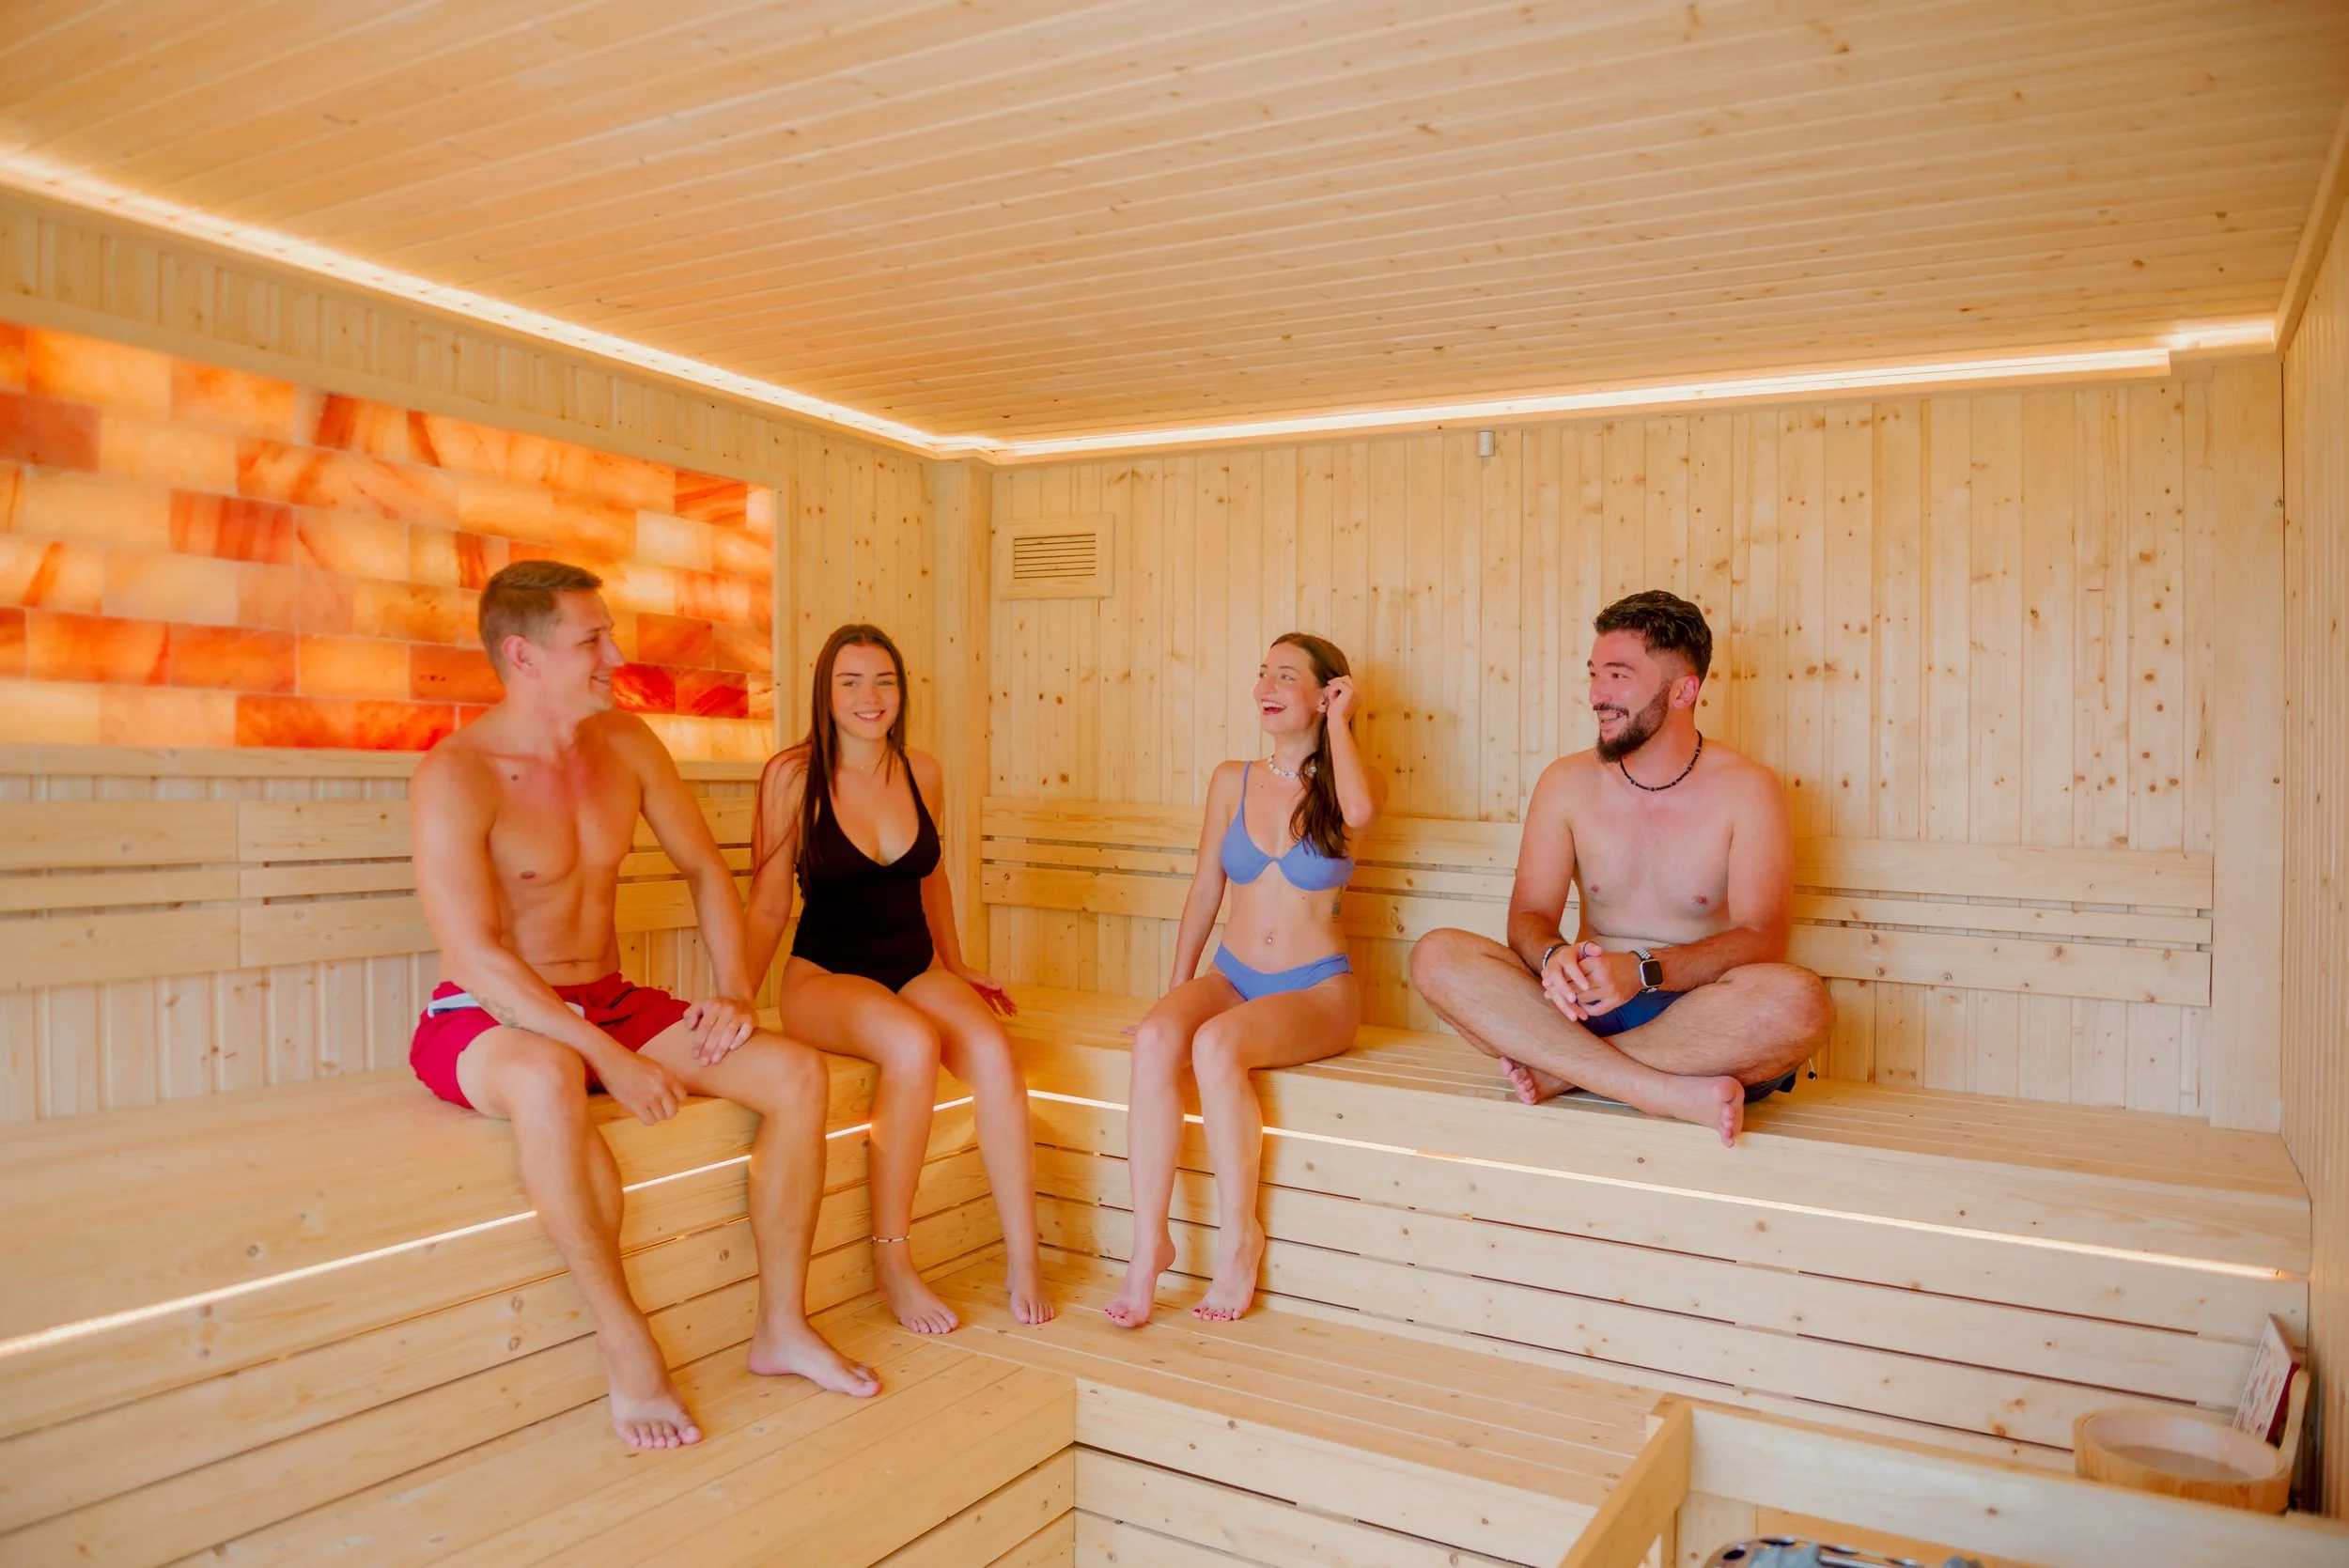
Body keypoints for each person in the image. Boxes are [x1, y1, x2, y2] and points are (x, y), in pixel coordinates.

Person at [408, 560, 878, 1453]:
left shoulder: (627, 744)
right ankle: (625, 1342)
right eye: (592, 638)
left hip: (609, 996)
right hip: (488, 1015)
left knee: (794, 1070)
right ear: (524, 654)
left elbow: (706, 869)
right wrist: (606, 1055)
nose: (614, 653)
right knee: (550, 1077)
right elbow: (475, 954)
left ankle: (782, 1323)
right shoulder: (456, 774)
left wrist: (736, 990)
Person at [1409, 589, 1832, 1148]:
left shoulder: (1747, 790)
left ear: (1684, 690)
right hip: (1577, 1009)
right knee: (1437, 955)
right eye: (1595, 675)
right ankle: (1653, 1089)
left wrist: (1643, 970)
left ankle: (1565, 1072)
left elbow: (1762, 939)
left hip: (1697, 1020)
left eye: (1619, 676)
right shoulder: (1567, 782)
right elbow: (1530, 917)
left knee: (1800, 1001)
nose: (1597, 696)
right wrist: (1553, 955)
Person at [746, 624, 1051, 1333]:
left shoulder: (923, 770)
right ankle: (893, 1258)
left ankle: (1025, 1255)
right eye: (850, 681)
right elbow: (766, 904)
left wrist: (957, 961)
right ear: (825, 691)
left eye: (883, 680)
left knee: (997, 1055)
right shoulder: (793, 776)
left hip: (912, 966)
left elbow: (933, 875)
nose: (870, 696)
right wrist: (736, 997)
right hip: (824, 974)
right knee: (913, 1046)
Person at [1104, 633, 1386, 1328]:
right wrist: (1171, 995)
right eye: (1263, 671)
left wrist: (1341, 725)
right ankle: (1148, 1248)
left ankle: (1239, 1240)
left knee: (1217, 1046)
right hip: (1232, 974)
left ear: (1327, 693)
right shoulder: (1231, 778)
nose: (1266, 684)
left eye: (1286, 676)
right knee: (1161, 1040)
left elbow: (1360, 816)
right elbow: (1205, 888)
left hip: (1316, 989)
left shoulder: (1351, 780)